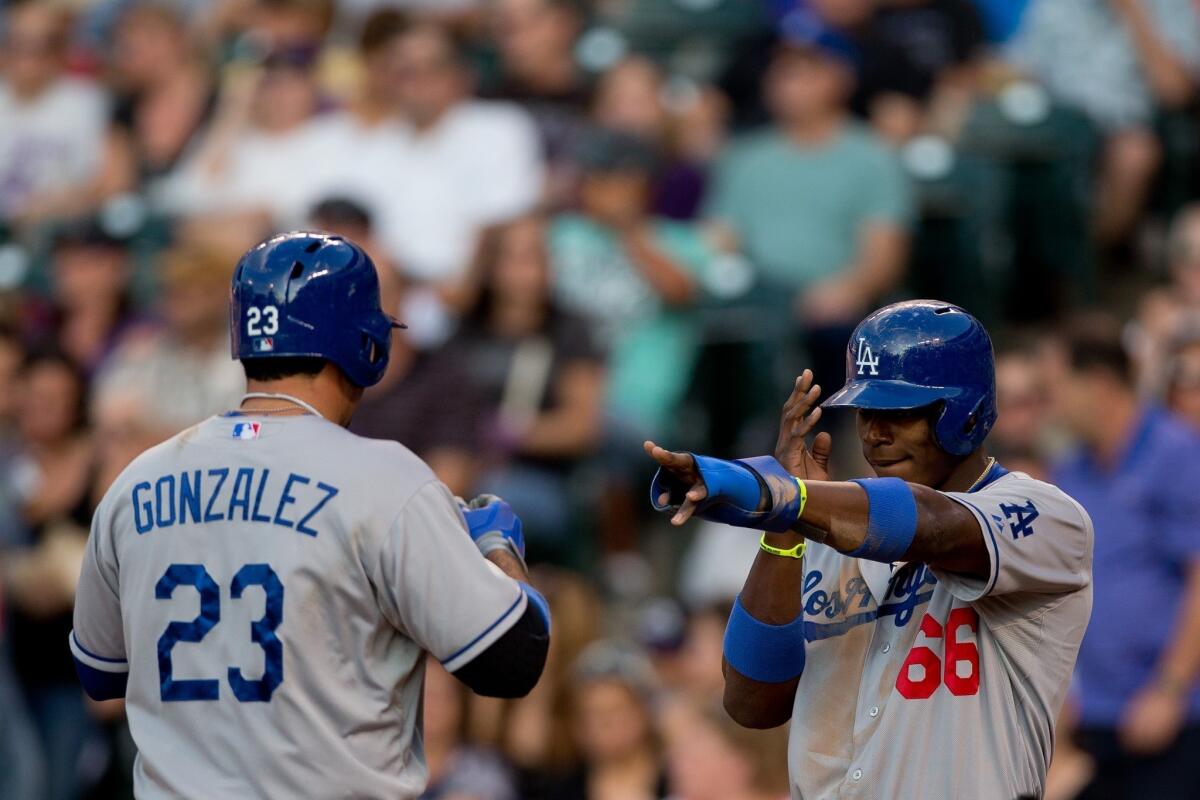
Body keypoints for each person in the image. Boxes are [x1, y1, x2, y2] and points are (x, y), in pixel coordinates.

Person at [69, 232, 551, 798]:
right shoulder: (385, 478)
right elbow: (511, 661)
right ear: (365, 345)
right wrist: (498, 551)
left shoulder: (137, 480)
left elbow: (99, 673)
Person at [645, 300, 1094, 799]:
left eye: (899, 414)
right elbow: (751, 703)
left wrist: (786, 498)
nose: (875, 434)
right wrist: (784, 529)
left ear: (963, 411)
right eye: (866, 411)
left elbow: (931, 524)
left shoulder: (1045, 516)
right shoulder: (828, 529)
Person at [704, 14, 911, 387]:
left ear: (841, 78)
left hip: (830, 308)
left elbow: (883, 256)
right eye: (781, 69)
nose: (787, 81)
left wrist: (849, 288)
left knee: (835, 337)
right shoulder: (743, 156)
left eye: (805, 69)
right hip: (759, 296)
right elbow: (719, 238)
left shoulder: (873, 156)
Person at [1046, 318, 1200, 800]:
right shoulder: (1069, 471)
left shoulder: (1178, 452)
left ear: (1097, 384)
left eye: (1056, 389)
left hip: (1173, 717)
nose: (1051, 406)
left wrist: (1170, 691)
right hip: (1097, 718)